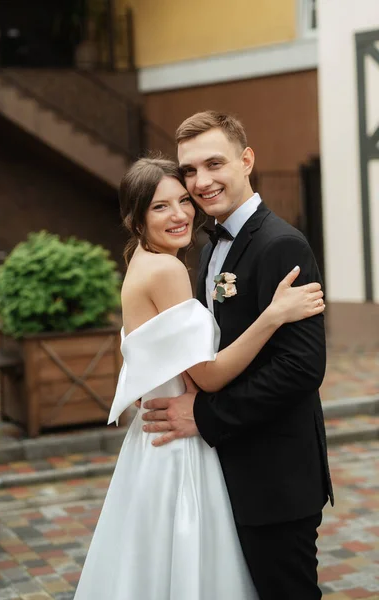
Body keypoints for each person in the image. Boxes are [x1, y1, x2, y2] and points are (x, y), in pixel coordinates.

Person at [73, 155, 325, 600]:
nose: (180, 214)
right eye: (160, 207)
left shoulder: (141, 261)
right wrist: (272, 315)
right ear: (134, 218)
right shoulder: (168, 269)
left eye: (183, 201)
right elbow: (208, 377)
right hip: (180, 440)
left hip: (159, 437)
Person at [141, 112, 334, 600]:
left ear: (246, 161)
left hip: (275, 477)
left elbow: (301, 368)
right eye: (190, 171)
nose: (201, 182)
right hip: (223, 472)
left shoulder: (282, 244)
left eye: (214, 164)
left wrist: (202, 415)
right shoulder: (206, 250)